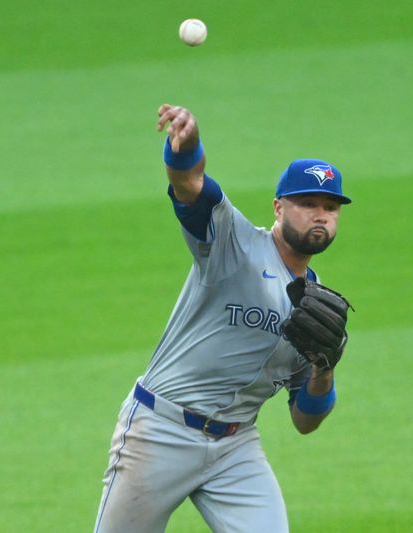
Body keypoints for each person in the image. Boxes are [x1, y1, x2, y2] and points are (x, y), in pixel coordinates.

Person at [93, 104, 352, 533]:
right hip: (161, 430)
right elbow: (190, 184)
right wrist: (186, 144)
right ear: (278, 208)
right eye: (307, 203)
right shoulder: (233, 245)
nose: (320, 214)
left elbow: (305, 421)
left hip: (235, 447)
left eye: (330, 206)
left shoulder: (318, 309)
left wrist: (324, 371)